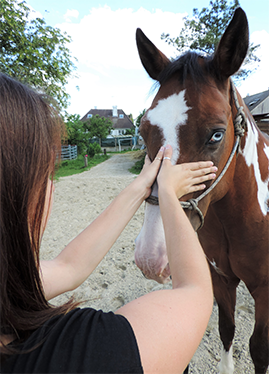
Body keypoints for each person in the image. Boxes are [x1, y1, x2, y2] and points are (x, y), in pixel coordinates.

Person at [0, 72, 216, 374]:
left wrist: (142, 186)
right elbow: (194, 291)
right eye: (46, 175)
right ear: (17, 194)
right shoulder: (86, 353)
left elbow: (68, 266)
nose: (51, 187)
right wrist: (168, 193)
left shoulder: (8, 292)